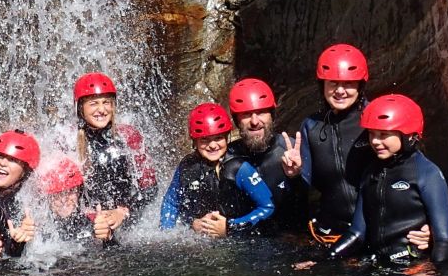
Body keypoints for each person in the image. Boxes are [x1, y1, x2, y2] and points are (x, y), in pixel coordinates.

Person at [283, 44, 431, 250]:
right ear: (322, 85)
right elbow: (304, 191)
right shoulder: (312, 126)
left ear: (361, 85)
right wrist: (294, 174)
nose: (340, 91)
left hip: (380, 233)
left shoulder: (378, 118)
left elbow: (416, 172)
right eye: (333, 83)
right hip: (333, 235)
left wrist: (428, 225)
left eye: (348, 84)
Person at [329, 95, 448, 264]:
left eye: (384, 135)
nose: (375, 141)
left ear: (408, 135)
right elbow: (357, 234)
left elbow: (444, 242)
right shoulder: (370, 172)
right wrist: (323, 260)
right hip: (377, 265)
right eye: (372, 134)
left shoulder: (427, 174)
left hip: (413, 269)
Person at [160, 103, 274, 236]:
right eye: (204, 140)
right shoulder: (187, 166)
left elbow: (267, 207)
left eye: (218, 138)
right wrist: (189, 224)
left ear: (227, 137)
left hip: (241, 238)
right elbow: (171, 202)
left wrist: (229, 228)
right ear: (194, 141)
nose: (213, 145)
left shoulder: (239, 168)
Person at [74, 73, 157, 241]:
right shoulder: (69, 141)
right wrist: (93, 220)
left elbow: (150, 188)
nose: (102, 109)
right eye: (93, 104)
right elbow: (64, 198)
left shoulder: (128, 136)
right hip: (89, 226)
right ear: (81, 108)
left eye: (106, 102)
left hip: (126, 223)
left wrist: (123, 211)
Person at [226, 78, 307, 232]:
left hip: (288, 241)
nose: (255, 121)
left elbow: (311, 204)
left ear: (272, 115)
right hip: (243, 241)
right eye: (246, 114)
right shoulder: (227, 156)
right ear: (236, 120)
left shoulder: (291, 151)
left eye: (261, 112)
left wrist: (296, 177)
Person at [0, 129, 40, 257]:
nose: (3, 163)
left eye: (12, 159)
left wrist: (21, 240)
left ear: (25, 172)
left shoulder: (28, 205)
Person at [37, 156, 96, 243]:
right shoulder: (39, 229)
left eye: (70, 191)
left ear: (78, 192)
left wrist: (105, 237)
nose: (64, 200)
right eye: (57, 194)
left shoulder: (95, 222)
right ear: (48, 198)